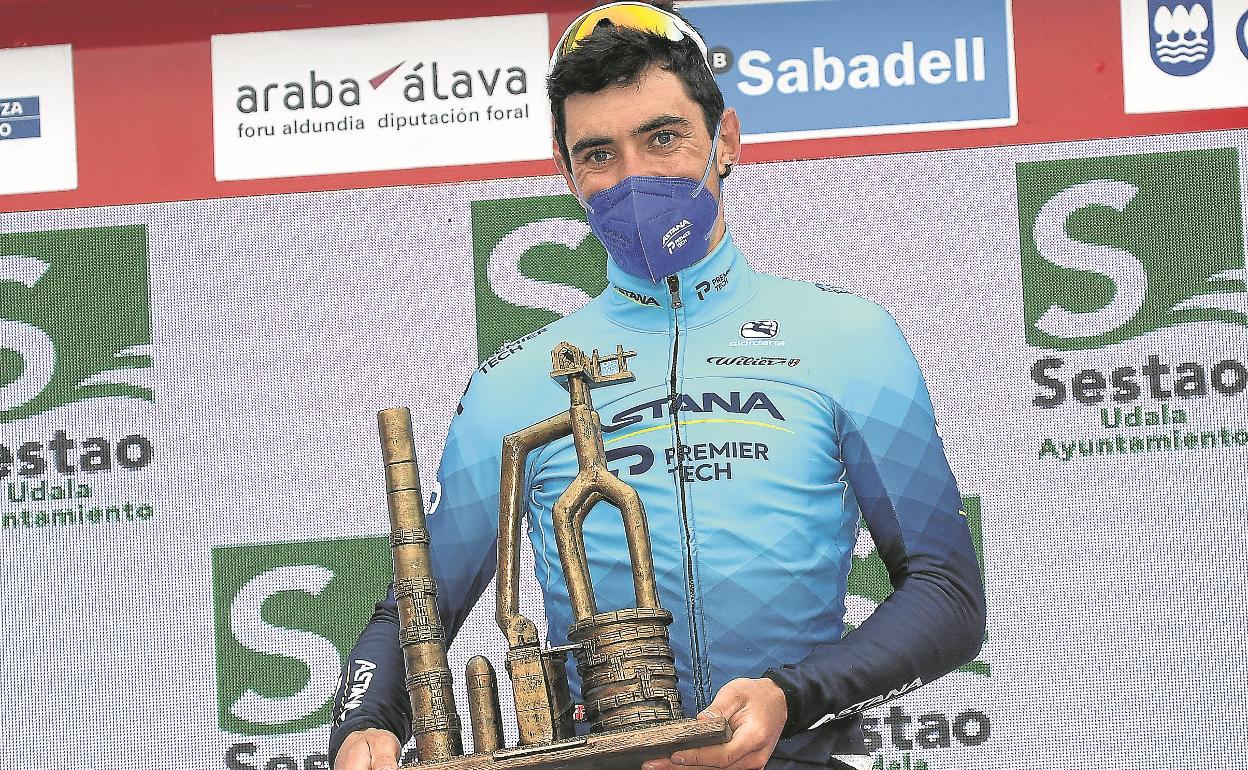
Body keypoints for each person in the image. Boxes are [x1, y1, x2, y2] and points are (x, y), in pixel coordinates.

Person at [329, 3, 986, 769]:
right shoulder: (512, 383)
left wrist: (788, 696)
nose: (633, 176)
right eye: (599, 153)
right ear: (567, 173)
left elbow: (948, 597)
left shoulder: (849, 339)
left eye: (663, 137)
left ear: (726, 141)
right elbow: (416, 610)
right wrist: (364, 725)